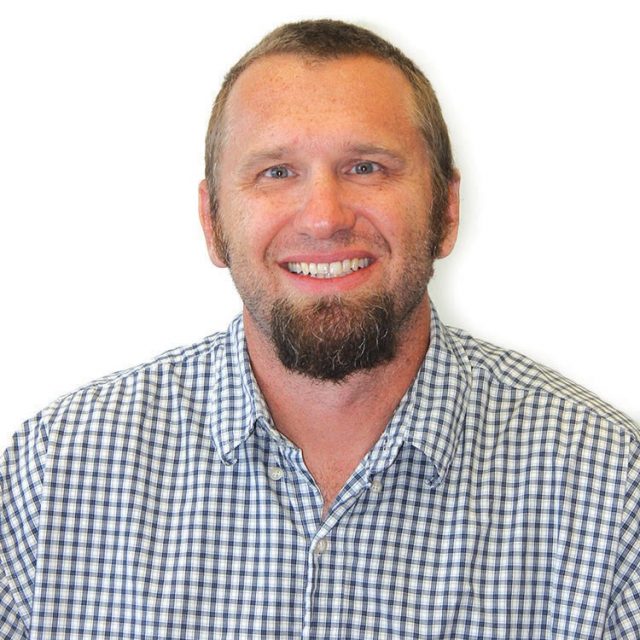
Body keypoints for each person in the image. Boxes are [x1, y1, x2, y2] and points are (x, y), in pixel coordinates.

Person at [1, 18, 638, 639]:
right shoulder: (55, 472)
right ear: (212, 222)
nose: (325, 218)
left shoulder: (609, 492)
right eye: (275, 172)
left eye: (367, 167)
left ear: (446, 210)